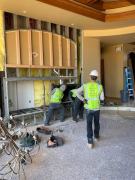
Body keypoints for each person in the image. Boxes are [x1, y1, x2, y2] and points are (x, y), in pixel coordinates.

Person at [75, 70, 104, 148]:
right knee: (97, 122)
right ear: (97, 78)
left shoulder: (85, 86)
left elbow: (76, 92)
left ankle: (90, 141)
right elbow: (102, 98)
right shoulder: (100, 86)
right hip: (96, 108)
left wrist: (83, 99)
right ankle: (96, 137)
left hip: (88, 108)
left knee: (89, 124)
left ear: (90, 77)